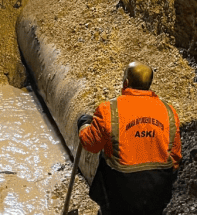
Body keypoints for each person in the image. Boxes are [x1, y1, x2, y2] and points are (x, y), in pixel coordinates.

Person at [77, 61, 181, 215]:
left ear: (126, 82)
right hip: (157, 193)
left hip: (121, 193)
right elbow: (175, 157)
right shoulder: (169, 111)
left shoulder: (109, 110)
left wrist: (84, 125)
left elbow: (91, 144)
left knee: (106, 153)